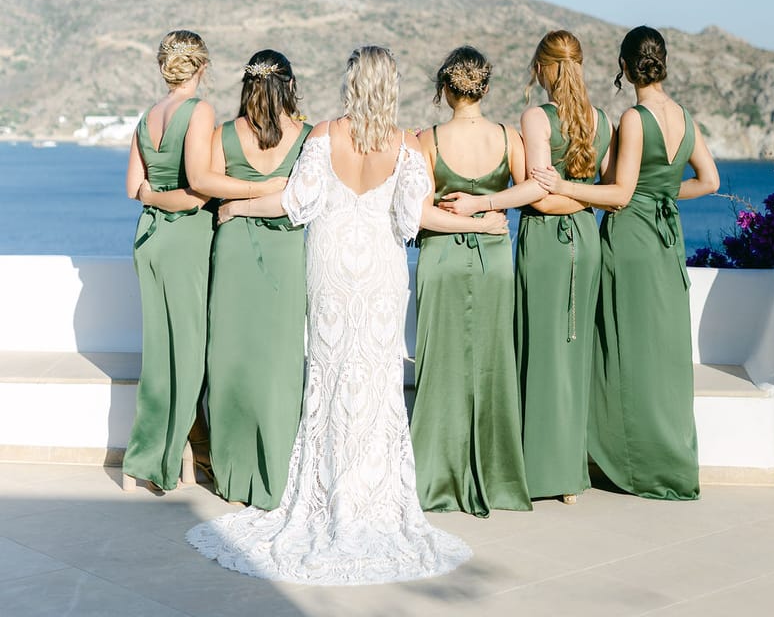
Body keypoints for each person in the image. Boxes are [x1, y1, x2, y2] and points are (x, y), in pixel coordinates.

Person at [186, 46, 509, 585]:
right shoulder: (407, 146)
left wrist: (239, 205)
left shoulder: (322, 136)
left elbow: (296, 204)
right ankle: (371, 494)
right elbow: (413, 217)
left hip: (331, 270)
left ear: (351, 83)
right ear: (391, 85)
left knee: (330, 378)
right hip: (381, 272)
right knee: (376, 381)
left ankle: (326, 488)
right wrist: (483, 223)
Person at [532, 26, 719, 501]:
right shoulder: (685, 116)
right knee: (664, 352)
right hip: (666, 239)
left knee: (624, 349)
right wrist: (663, 194)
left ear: (624, 66)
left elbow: (617, 193)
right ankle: (673, 460)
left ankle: (634, 464)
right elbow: (710, 181)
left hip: (632, 240)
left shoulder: (635, 119)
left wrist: (564, 187)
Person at [442, 30, 612, 504]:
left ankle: (539, 471)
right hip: (586, 236)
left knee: (538, 350)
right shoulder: (603, 120)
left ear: (543, 67)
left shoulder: (536, 117)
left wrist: (484, 202)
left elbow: (538, 189)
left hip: (545, 241)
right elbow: (610, 189)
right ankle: (570, 473)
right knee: (572, 351)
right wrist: (579, 201)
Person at [124, 32, 281, 494]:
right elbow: (199, 187)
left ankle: (149, 459)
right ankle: (169, 460)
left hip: (147, 240)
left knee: (160, 354)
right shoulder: (200, 112)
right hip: (185, 240)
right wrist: (261, 189)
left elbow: (135, 187)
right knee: (190, 357)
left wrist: (154, 196)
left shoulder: (147, 116)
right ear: (202, 67)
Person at [410, 46, 530, 516]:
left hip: (441, 257)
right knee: (493, 365)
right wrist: (487, 209)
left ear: (445, 88)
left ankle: (435, 479)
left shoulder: (428, 141)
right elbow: (533, 189)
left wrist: (465, 209)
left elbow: (420, 213)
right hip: (495, 259)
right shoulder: (509, 137)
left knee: (438, 365)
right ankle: (497, 479)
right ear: (485, 87)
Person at [204, 50, 311, 509]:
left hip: (233, 248)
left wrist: (243, 194)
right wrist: (272, 188)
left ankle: (233, 473)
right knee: (281, 362)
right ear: (289, 85)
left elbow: (205, 182)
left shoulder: (223, 135)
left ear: (247, 85)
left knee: (230, 359)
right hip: (288, 250)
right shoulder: (308, 138)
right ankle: (277, 471)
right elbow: (307, 196)